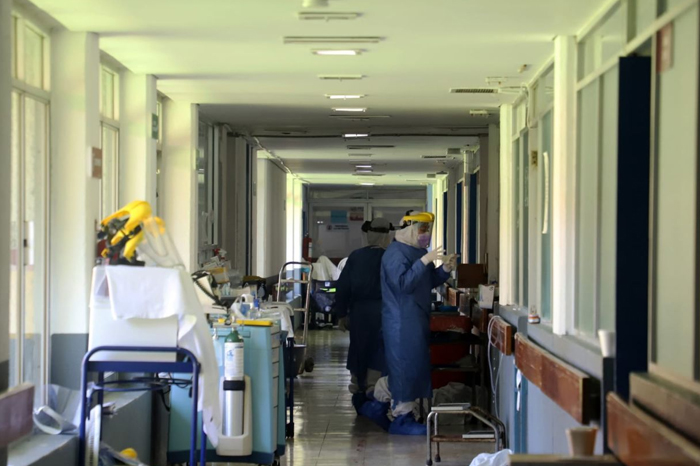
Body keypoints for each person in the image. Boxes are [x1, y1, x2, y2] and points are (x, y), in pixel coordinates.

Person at [377, 211, 459, 435]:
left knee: (414, 366)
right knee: (405, 366)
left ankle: (383, 401)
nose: (426, 234)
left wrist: (445, 269)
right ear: (409, 228)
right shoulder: (395, 253)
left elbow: (426, 280)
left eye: (428, 229)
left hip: (416, 319)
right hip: (401, 321)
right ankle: (401, 417)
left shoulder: (418, 251)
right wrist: (424, 261)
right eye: (422, 229)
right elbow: (403, 284)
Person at [334, 218, 393, 428]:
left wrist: (341, 314)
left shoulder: (356, 257)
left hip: (359, 314)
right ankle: (375, 393)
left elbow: (343, 288)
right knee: (380, 351)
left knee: (359, 349)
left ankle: (359, 392)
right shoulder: (391, 257)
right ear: (388, 235)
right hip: (385, 313)